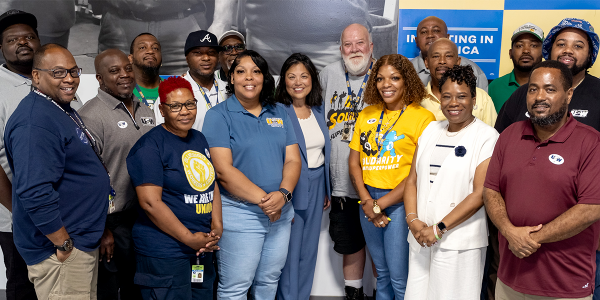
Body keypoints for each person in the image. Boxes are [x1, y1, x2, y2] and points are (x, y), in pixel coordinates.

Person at [484, 60, 600, 300]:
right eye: (533, 88)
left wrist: (531, 239)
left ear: (568, 95)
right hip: (510, 279)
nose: (539, 96)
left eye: (550, 89)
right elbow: (491, 190)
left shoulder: (590, 142)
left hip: (564, 283)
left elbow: (591, 208)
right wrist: (508, 231)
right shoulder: (509, 135)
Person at [4, 43, 110, 299]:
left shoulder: (57, 109)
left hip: (78, 241)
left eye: (73, 72)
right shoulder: (35, 121)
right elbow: (33, 190)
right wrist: (62, 243)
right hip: (60, 250)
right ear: (36, 76)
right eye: (59, 73)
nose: (70, 79)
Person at [202, 50, 301, 300]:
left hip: (280, 212)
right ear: (231, 78)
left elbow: (292, 159)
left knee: (269, 281)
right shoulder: (218, 115)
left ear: (264, 77)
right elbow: (223, 171)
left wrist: (283, 195)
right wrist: (267, 202)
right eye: (241, 71)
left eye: (256, 71)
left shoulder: (279, 112)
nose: (249, 77)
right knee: (236, 286)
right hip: (240, 214)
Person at [403, 65, 499, 300]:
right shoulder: (430, 131)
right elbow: (412, 180)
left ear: (474, 99)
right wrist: (413, 221)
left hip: (459, 242)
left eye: (462, 96)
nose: (453, 103)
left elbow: (479, 194)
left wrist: (439, 228)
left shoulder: (487, 137)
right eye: (446, 96)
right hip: (420, 238)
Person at [126, 76, 222, 299]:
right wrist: (189, 238)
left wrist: (217, 226)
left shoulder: (198, 139)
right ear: (162, 109)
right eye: (176, 106)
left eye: (190, 104)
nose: (185, 111)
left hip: (201, 248)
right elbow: (150, 203)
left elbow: (211, 183)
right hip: (165, 251)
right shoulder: (149, 147)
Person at [348, 54, 436, 300]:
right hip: (368, 201)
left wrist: (380, 205)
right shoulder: (366, 114)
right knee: (382, 273)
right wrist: (368, 202)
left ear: (406, 80)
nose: (386, 84)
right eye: (380, 79)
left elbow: (416, 174)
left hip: (399, 203)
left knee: (399, 277)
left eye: (394, 78)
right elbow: (354, 163)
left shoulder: (423, 118)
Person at [78, 48, 156, 300]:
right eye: (114, 71)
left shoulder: (146, 109)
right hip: (111, 221)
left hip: (145, 217)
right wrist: (101, 229)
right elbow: (86, 179)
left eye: (127, 68)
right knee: (109, 292)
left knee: (139, 288)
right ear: (99, 79)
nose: (124, 75)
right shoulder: (90, 116)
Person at [321, 23, 374, 300]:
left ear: (371, 46)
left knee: (380, 249)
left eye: (360, 43)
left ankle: (382, 293)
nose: (354, 50)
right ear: (341, 49)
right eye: (348, 45)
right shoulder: (327, 74)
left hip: (380, 185)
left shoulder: (384, 74)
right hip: (341, 185)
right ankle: (353, 295)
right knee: (350, 246)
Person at [275, 53, 331, 300]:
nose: (298, 82)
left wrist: (327, 190)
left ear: (312, 80)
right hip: (292, 185)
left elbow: (323, 152)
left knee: (309, 251)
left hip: (317, 185)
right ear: (284, 81)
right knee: (289, 250)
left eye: (304, 76)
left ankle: (302, 296)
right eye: (291, 76)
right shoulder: (278, 111)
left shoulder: (318, 110)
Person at [495, 18, 600, 134]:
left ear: (590, 53)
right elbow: (501, 140)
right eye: (561, 44)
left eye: (578, 46)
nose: (568, 50)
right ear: (550, 49)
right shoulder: (523, 93)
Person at [0, 9, 40, 300]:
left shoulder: (55, 80)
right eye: (13, 39)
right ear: (1, 47)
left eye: (29, 36)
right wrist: (20, 211)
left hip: (59, 213)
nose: (22, 42)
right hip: (17, 218)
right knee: (23, 286)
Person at [93, 0, 232, 75]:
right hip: (119, 22)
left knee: (190, 100)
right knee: (117, 107)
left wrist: (222, 21)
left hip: (184, 24)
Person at [154, 30, 227, 132]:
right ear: (187, 58)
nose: (206, 58)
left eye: (211, 52)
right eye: (198, 53)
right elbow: (161, 134)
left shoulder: (228, 89)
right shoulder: (173, 92)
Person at [420, 38, 497, 127]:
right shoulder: (417, 99)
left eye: (448, 56)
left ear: (458, 61)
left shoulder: (481, 97)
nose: (442, 61)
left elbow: (493, 136)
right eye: (436, 56)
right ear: (426, 62)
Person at [411, 16, 489, 92]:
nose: (430, 35)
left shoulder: (473, 71)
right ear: (416, 40)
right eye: (424, 32)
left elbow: (481, 102)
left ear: (447, 37)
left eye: (436, 31)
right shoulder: (407, 71)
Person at [488, 23, 544, 113]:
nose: (526, 51)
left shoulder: (552, 86)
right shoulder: (494, 87)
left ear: (543, 52)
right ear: (510, 53)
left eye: (533, 45)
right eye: (519, 46)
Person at [129, 33, 162, 110]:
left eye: (155, 48)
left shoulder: (174, 89)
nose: (150, 51)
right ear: (131, 58)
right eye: (142, 47)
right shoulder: (123, 90)